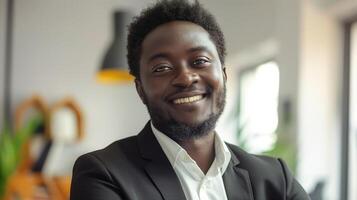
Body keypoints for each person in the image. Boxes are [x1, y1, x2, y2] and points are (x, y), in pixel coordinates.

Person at [70, 0, 310, 199]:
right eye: (162, 68)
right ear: (140, 89)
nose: (185, 78)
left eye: (200, 61)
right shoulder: (103, 174)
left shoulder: (276, 178)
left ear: (224, 76)